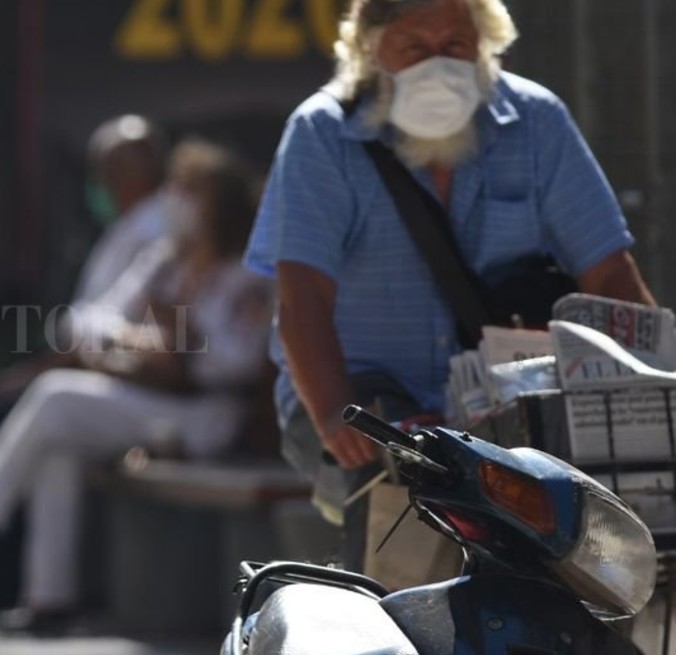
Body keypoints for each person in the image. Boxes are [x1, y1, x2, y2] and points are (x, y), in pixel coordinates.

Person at [243, 0, 656, 574]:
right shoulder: (323, 133)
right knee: (406, 537)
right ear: (372, 50)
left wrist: (650, 388)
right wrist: (336, 412)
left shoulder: (536, 120)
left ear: (485, 45)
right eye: (415, 47)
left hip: (507, 400)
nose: (438, 64)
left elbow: (610, 274)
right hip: (362, 395)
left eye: (455, 46)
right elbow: (301, 296)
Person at [0, 141, 274, 632]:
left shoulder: (246, 277)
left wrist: (186, 345)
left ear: (221, 204)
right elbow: (88, 323)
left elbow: (238, 364)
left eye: (191, 191)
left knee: (57, 397)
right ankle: (48, 600)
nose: (176, 199)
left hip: (207, 417)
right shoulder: (163, 260)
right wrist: (144, 340)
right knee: (58, 443)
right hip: (146, 399)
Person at [0, 114, 170, 616]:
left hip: (129, 386)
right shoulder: (125, 228)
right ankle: (11, 585)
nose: (101, 184)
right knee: (15, 427)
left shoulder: (153, 233)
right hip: (93, 376)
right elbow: (87, 328)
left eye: (109, 171)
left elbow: (107, 336)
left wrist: (30, 376)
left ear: (134, 173)